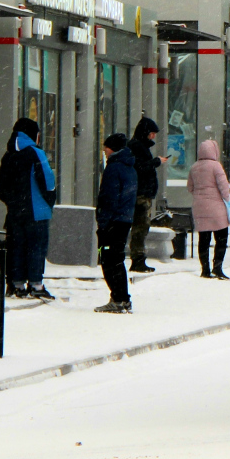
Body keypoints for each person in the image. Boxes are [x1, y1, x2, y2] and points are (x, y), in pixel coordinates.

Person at [0, 118, 56, 300]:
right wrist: (48, 203)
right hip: (37, 212)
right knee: (36, 248)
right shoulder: (36, 154)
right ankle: (36, 284)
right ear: (33, 135)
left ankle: (16, 284)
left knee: (17, 247)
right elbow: (48, 183)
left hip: (15, 213)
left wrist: (13, 203)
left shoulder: (8, 155)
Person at [95, 133, 138, 314]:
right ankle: (123, 298)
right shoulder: (130, 167)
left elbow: (109, 198)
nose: (104, 150)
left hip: (112, 221)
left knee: (108, 259)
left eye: (106, 147)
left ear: (113, 148)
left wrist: (103, 222)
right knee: (117, 259)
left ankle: (118, 298)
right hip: (125, 220)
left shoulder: (113, 169)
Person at [188, 139, 230, 280]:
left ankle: (205, 269)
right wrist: (227, 200)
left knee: (204, 239)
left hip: (199, 207)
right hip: (216, 207)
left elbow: (190, 187)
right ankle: (218, 267)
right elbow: (224, 188)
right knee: (221, 238)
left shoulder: (194, 167)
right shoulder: (216, 166)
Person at [127, 117, 166, 274]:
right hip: (141, 194)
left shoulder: (138, 146)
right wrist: (156, 162)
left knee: (141, 227)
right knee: (140, 228)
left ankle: (138, 259)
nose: (153, 137)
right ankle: (137, 259)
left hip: (142, 193)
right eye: (152, 133)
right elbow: (141, 167)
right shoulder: (137, 147)